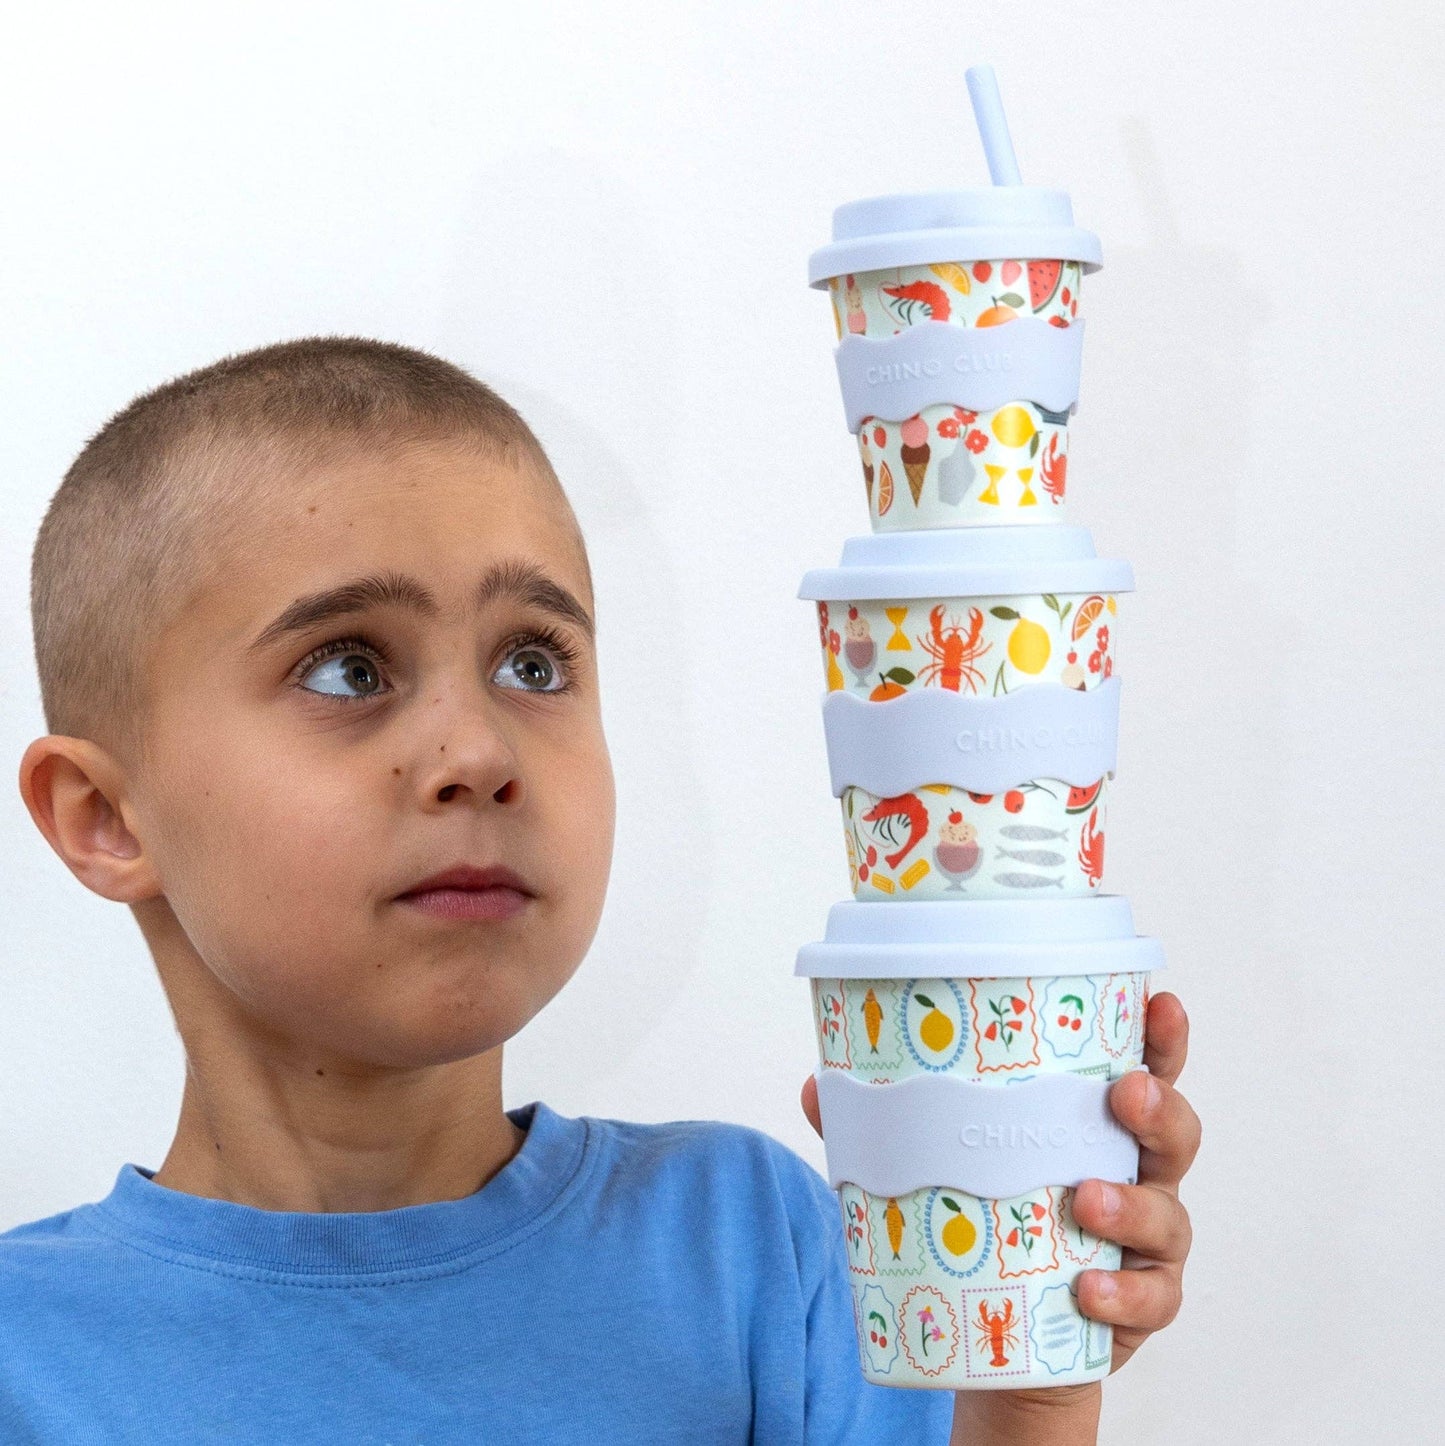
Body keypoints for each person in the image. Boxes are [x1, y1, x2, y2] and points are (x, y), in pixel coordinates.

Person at [0, 337, 1200, 1444]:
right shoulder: (26, 1362)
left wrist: (1026, 1392)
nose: (478, 753)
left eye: (532, 663)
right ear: (104, 818)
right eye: (347, 669)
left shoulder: (752, 1247)